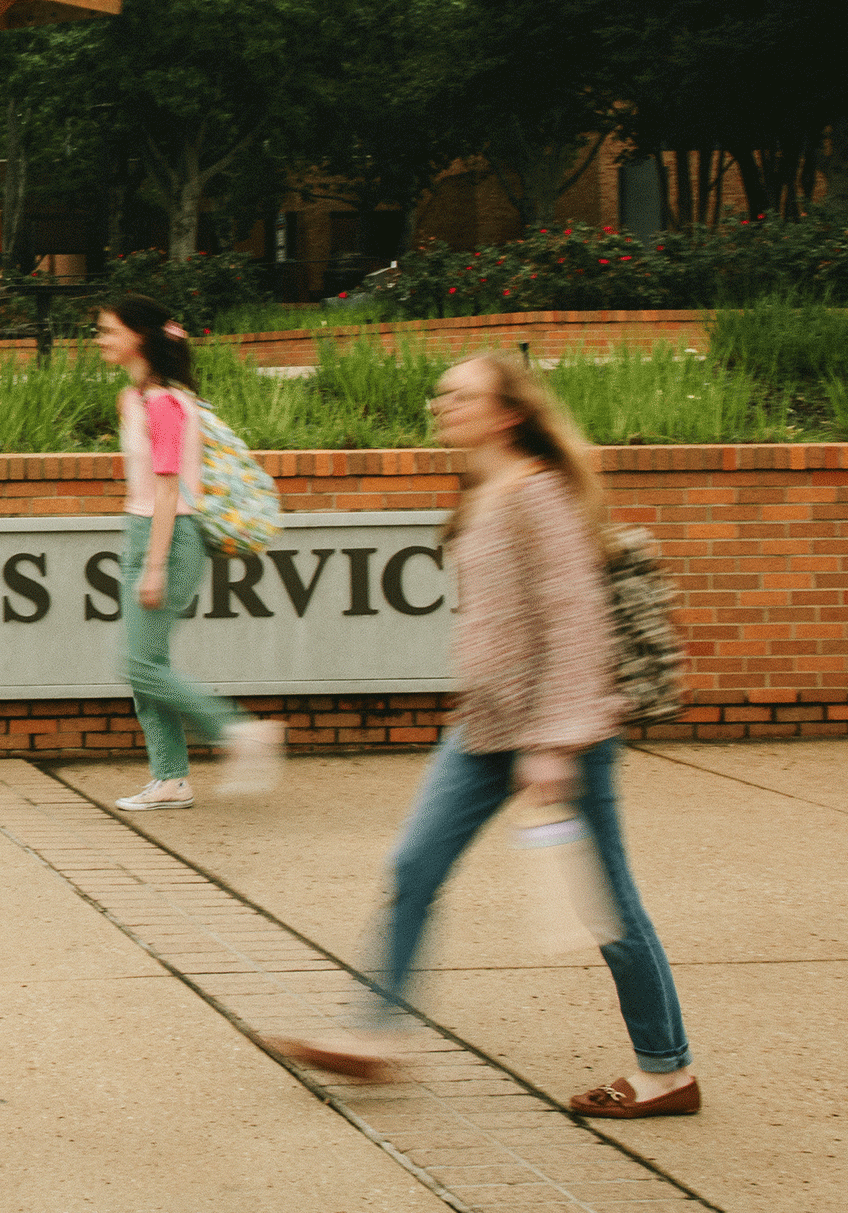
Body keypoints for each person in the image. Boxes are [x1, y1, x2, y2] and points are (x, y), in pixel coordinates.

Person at [269, 351, 696, 1119]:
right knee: (413, 867)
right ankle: (374, 1034)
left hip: (557, 737)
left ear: (508, 413)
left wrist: (556, 743)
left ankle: (667, 1070)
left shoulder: (538, 493)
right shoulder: (482, 490)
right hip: (485, 728)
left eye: (460, 396)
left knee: (607, 908)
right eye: (441, 394)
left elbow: (575, 623)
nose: (443, 405)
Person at [93, 295, 282, 811]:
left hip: (170, 538)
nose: (101, 339)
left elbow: (169, 491)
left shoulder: (166, 404)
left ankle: (240, 732)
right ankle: (171, 779)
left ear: (140, 337)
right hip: (140, 530)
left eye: (110, 330)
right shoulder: (132, 399)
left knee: (139, 662)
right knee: (144, 662)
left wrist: (153, 565)